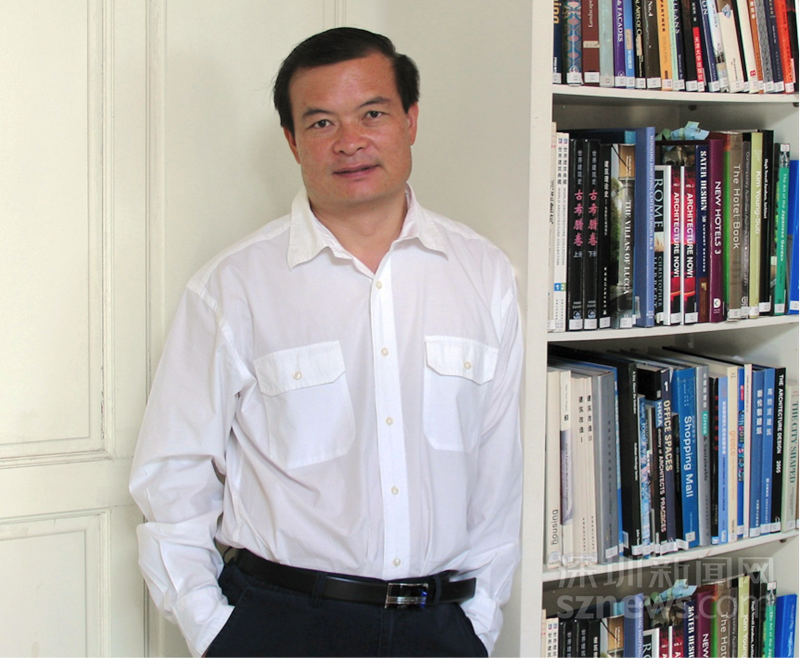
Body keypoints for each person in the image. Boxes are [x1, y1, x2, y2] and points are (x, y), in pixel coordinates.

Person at [130, 27, 523, 658]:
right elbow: (172, 474)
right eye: (321, 123)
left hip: (441, 629)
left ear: (411, 119)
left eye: (373, 114)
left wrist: (477, 621)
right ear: (292, 140)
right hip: (280, 626)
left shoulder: (484, 276)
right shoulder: (232, 287)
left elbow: (499, 475)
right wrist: (216, 632)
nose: (350, 141)